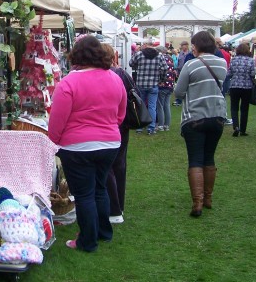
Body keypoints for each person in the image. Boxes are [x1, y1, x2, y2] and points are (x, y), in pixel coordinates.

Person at [48, 35, 126, 251]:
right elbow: (121, 114)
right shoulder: (115, 78)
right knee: (100, 189)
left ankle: (87, 241)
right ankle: (103, 232)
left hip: (77, 147)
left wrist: (53, 142)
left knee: (84, 194)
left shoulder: (69, 82)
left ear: (76, 55)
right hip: (109, 143)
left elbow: (57, 120)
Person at [173, 31, 227, 217]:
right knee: (209, 157)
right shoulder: (222, 62)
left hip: (195, 117)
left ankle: (197, 202)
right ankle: (208, 198)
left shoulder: (191, 64)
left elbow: (179, 92)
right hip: (218, 116)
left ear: (197, 46)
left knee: (195, 159)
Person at [103, 43, 134, 224]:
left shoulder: (115, 75)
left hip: (113, 125)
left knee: (109, 169)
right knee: (119, 166)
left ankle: (114, 209)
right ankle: (118, 206)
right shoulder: (121, 74)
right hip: (120, 124)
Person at [129, 39, 168, 135]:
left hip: (141, 84)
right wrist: (162, 80)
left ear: (146, 45)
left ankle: (140, 127)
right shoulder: (159, 55)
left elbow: (131, 63)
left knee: (140, 105)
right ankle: (151, 127)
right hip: (153, 84)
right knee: (152, 107)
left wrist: (138, 65)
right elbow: (165, 69)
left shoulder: (139, 54)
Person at [228, 43, 256, 137]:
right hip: (247, 86)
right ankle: (243, 130)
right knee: (244, 108)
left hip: (235, 85)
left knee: (234, 107)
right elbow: (253, 73)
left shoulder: (233, 60)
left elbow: (230, 73)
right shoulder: (251, 60)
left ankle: (236, 126)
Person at [155, 45, 177, 132]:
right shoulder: (170, 58)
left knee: (160, 105)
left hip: (163, 84)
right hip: (170, 84)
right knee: (167, 105)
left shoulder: (159, 58)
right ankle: (167, 125)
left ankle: (160, 125)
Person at [173, 40, 190, 106]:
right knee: (179, 85)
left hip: (188, 71)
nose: (182, 47)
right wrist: (176, 71)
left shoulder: (190, 54)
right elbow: (178, 63)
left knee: (188, 86)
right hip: (180, 71)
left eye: (183, 45)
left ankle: (187, 100)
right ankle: (178, 100)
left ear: (186, 46)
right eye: (181, 46)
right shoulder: (180, 54)